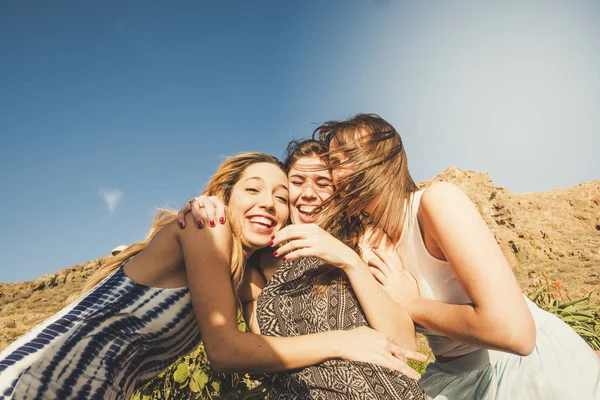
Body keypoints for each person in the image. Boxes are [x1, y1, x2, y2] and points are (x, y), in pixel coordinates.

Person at [0, 152, 414, 400]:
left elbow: (261, 347)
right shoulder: (208, 226)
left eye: (280, 197)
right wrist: (347, 341)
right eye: (252, 190)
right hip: (46, 376)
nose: (269, 204)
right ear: (225, 196)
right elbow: (224, 350)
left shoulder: (238, 275)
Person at [294, 113, 600, 399]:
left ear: (384, 159)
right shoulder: (370, 241)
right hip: (455, 377)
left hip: (524, 373)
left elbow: (515, 333)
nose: (335, 174)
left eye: (344, 160)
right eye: (333, 163)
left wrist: (413, 305)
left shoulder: (435, 203)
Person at [179, 140, 426, 399]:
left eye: (322, 183)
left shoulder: (364, 239)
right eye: (297, 182)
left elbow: (405, 345)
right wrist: (207, 205)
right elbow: (255, 350)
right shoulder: (259, 260)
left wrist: (349, 260)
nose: (308, 193)